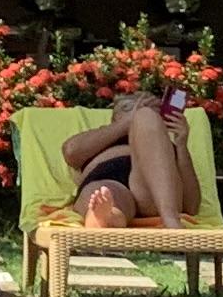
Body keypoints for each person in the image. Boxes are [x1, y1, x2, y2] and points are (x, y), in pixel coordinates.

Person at [62, 90, 198, 228]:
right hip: (108, 179)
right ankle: (108, 217)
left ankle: (170, 218)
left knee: (145, 117)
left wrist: (181, 146)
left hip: (153, 191)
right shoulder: (99, 137)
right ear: (116, 116)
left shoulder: (164, 147)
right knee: (103, 193)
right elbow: (71, 152)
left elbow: (192, 206)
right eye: (129, 108)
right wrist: (128, 122)